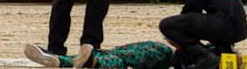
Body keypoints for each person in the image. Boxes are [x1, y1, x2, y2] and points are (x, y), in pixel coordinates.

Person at [24, 41, 174, 69]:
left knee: (122, 58)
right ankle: (58, 60)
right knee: (114, 54)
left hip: (166, 53)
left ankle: (92, 61)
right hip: (164, 52)